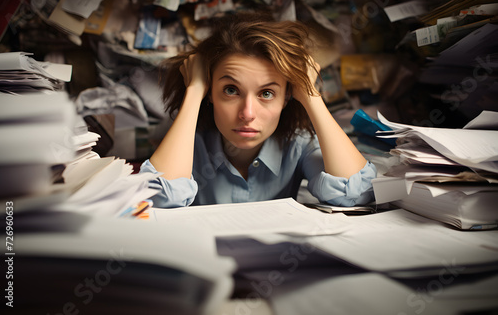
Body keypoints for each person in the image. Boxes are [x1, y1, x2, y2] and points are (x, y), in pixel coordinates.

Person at [140, 12, 377, 208]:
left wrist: (310, 94)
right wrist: (194, 91)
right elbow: (159, 199)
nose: (247, 113)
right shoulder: (188, 143)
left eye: (266, 93)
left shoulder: (298, 145)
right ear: (210, 92)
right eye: (231, 90)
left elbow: (356, 194)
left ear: (286, 97)